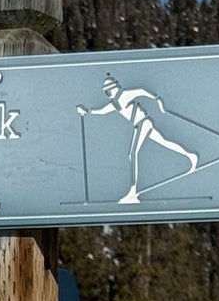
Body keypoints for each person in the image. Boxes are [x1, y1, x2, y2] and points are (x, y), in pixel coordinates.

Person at [78, 75, 200, 204]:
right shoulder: (116, 102)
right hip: (141, 124)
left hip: (143, 123)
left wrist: (158, 100)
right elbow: (103, 110)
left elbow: (141, 91)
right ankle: (191, 156)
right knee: (165, 142)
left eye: (107, 91)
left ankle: (132, 192)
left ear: (112, 89)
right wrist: (87, 111)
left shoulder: (124, 95)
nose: (107, 94)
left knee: (132, 154)